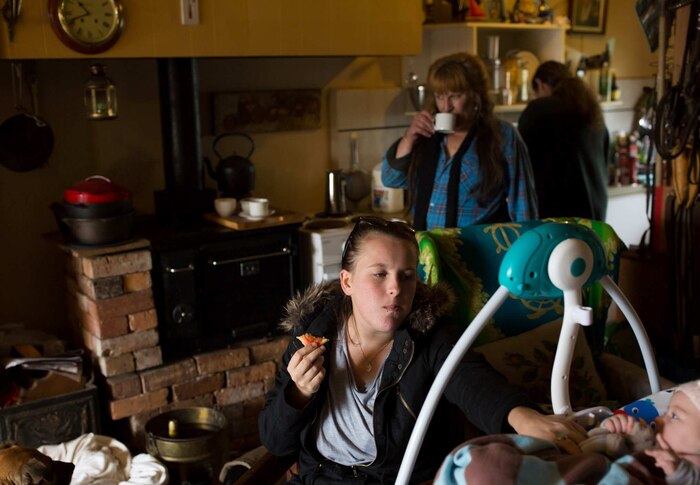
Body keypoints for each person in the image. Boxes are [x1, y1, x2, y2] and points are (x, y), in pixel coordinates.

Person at [258, 216, 586, 484]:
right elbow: (275, 441)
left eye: (407, 276)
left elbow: (472, 379)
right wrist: (298, 394)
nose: (395, 289)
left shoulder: (428, 336)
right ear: (347, 282)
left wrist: (524, 418)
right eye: (379, 274)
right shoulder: (312, 332)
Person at [380, 52, 539, 230]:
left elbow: (523, 206)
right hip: (428, 250)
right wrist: (409, 137)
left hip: (478, 251)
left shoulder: (501, 136)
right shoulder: (428, 135)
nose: (446, 106)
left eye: (455, 96)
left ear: (475, 96)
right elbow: (390, 179)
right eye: (440, 97)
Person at [518, 60, 609, 220]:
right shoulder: (591, 109)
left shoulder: (538, 110)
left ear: (540, 84)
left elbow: (521, 163)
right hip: (595, 213)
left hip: (556, 216)